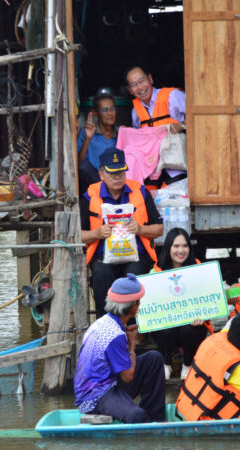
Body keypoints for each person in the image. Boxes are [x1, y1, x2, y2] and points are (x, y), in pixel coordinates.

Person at [80, 147, 163, 317]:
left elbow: (159, 229)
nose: (118, 178)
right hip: (103, 258)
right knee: (102, 275)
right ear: (101, 174)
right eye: (113, 173)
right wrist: (97, 233)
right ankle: (106, 325)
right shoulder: (89, 196)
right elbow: (76, 236)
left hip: (137, 256)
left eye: (121, 172)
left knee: (135, 275)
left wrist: (140, 229)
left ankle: (136, 328)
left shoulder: (140, 191)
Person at [74, 274, 165, 423]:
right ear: (132, 306)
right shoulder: (115, 334)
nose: (139, 306)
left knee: (153, 358)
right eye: (138, 303)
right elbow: (127, 376)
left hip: (109, 382)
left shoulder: (103, 321)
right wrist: (132, 344)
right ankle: (146, 421)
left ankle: (156, 419)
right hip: (96, 395)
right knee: (136, 416)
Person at [150, 228, 212, 380]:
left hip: (191, 325)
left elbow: (207, 297)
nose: (181, 250)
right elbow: (150, 302)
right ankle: (165, 363)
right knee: (166, 330)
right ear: (168, 247)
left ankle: (188, 364)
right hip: (167, 326)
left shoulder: (198, 267)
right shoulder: (156, 270)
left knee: (188, 330)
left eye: (185, 246)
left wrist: (202, 315)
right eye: (176, 246)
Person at [125, 65, 186, 133]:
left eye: (141, 81)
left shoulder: (173, 95)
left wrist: (182, 125)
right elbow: (138, 137)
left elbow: (198, 115)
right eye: (133, 84)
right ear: (130, 90)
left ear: (150, 79)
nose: (139, 87)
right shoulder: (135, 112)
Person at [77, 94, 118, 195]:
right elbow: (79, 163)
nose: (110, 113)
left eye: (112, 109)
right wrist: (88, 138)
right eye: (104, 110)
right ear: (95, 113)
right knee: (84, 166)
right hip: (94, 181)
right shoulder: (86, 133)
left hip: (116, 179)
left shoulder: (121, 133)